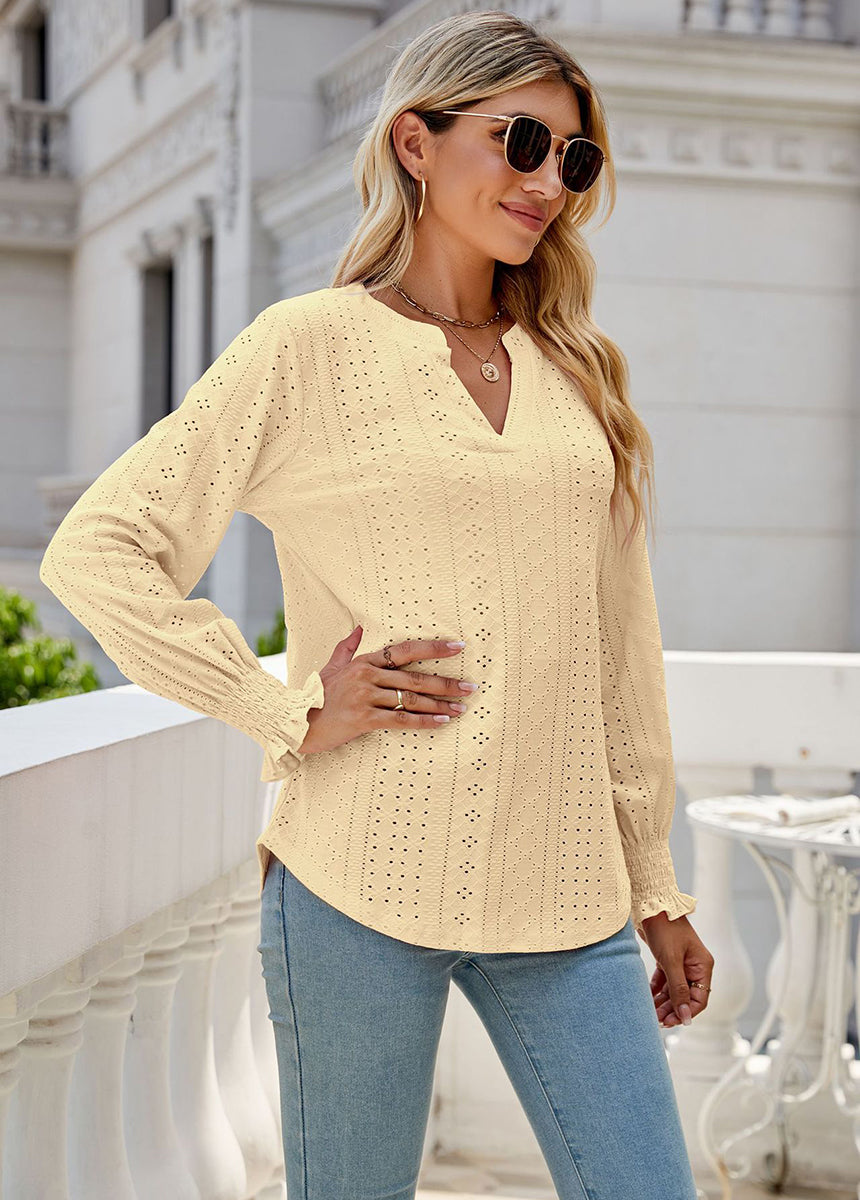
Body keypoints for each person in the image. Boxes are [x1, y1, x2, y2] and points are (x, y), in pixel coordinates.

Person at [38, 10, 714, 1198]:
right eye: (518, 141)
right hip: (356, 887)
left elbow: (617, 651)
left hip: (566, 898)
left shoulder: (577, 372)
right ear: (414, 141)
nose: (547, 181)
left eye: (572, 157)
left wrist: (651, 884)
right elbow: (101, 549)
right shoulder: (304, 349)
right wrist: (284, 708)